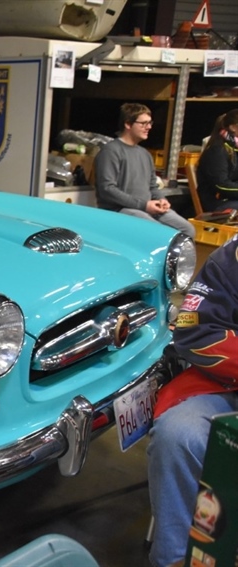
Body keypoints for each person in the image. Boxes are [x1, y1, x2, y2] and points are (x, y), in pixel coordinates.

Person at [146, 235, 238, 567]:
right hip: (224, 386)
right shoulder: (231, 258)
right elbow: (191, 326)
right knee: (178, 436)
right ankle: (174, 559)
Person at [94, 103, 196, 238]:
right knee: (159, 232)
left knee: (187, 229)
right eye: (143, 123)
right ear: (128, 124)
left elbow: (152, 186)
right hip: (120, 209)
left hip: (146, 208)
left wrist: (161, 199)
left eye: (149, 123)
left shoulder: (145, 154)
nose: (149, 127)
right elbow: (107, 189)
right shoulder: (111, 151)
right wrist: (144, 205)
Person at [196, 108, 238, 212]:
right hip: (217, 203)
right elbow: (221, 185)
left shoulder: (234, 148)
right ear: (233, 127)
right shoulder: (217, 150)